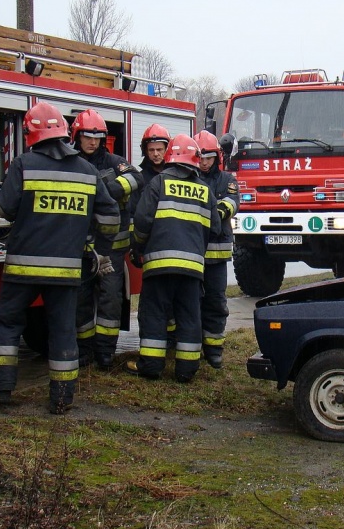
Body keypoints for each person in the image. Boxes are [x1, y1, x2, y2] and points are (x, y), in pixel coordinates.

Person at [0, 102, 120, 414]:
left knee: (6, 323)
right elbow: (111, 217)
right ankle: (61, 398)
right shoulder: (87, 171)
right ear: (64, 131)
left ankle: (1, 390)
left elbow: (4, 210)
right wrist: (96, 247)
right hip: (67, 269)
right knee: (62, 328)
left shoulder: (23, 164)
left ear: (30, 133)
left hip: (22, 267)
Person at [128, 134, 220, 383]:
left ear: (169, 157)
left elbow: (142, 221)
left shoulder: (158, 183)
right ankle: (186, 371)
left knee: (155, 314)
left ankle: (151, 367)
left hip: (159, 265)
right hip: (192, 269)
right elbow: (216, 228)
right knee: (189, 316)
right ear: (194, 160)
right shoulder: (205, 190)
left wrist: (137, 247)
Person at [70, 109, 143, 369]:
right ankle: (84, 351)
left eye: (98, 137)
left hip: (111, 250)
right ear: (77, 136)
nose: (93, 142)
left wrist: (105, 191)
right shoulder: (70, 163)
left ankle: (105, 353)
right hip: (81, 248)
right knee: (80, 302)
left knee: (111, 302)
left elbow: (136, 177)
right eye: (87, 136)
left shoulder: (115, 162)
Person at [193, 131, 240, 369]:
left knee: (216, 302)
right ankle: (190, 346)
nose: (204, 162)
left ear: (217, 157)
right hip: (192, 255)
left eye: (209, 157)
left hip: (217, 257)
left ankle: (213, 350)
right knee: (191, 302)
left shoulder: (227, 181)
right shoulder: (188, 178)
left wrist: (206, 212)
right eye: (200, 157)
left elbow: (230, 204)